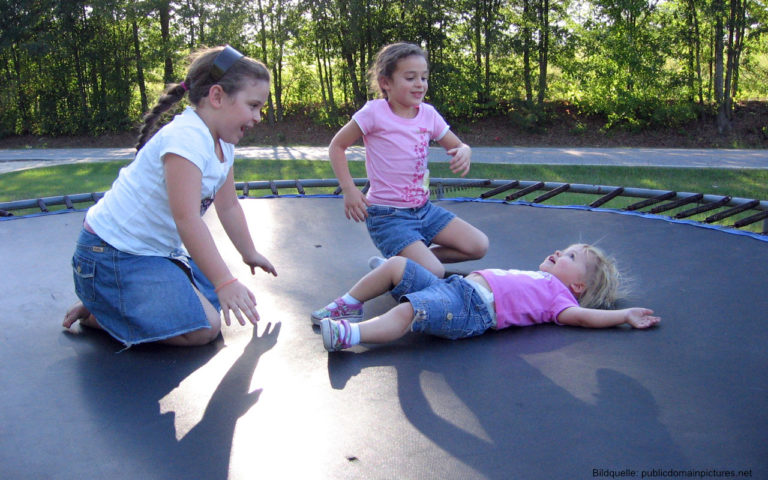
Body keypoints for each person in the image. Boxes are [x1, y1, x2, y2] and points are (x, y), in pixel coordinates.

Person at [63, 45, 277, 347]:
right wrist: (225, 281)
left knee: (215, 299)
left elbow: (227, 205)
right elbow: (187, 220)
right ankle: (104, 307)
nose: (257, 117)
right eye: (253, 105)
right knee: (205, 327)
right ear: (216, 97)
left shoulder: (223, 143)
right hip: (110, 255)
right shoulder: (186, 139)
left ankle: (113, 301)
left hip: (151, 253)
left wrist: (248, 253)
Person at [312, 244, 660, 352]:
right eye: (564, 249)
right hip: (456, 287)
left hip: (468, 311)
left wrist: (623, 314)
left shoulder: (560, 301)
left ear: (579, 287)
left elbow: (586, 318)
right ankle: (350, 302)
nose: (559, 252)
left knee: (411, 310)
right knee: (397, 264)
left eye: (570, 257)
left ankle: (350, 335)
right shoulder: (541, 277)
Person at [328, 42, 488, 278]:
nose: (420, 84)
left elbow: (458, 145)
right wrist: (349, 189)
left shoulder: (428, 114)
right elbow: (337, 146)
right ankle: (405, 266)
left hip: (424, 210)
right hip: (388, 216)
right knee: (434, 271)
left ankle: (400, 263)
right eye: (411, 77)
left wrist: (465, 151)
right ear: (386, 83)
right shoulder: (374, 112)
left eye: (424, 78)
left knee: (478, 245)